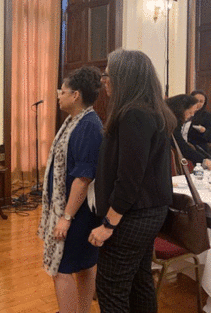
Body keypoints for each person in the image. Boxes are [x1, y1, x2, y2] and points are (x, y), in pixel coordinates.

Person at [89, 49, 177, 313]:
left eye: (108, 74)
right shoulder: (149, 110)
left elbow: (129, 180)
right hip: (145, 214)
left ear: (125, 77)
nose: (104, 80)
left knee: (110, 288)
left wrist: (108, 224)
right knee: (140, 282)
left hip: (132, 217)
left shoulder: (134, 115)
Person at [37, 66, 103, 313]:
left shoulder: (87, 126)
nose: (58, 95)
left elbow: (83, 178)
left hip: (77, 212)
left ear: (76, 95)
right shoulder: (77, 120)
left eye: (62, 91)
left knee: (62, 269)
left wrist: (65, 218)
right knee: (85, 265)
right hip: (77, 210)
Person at [166, 94, 211, 168]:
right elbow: (180, 143)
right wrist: (202, 160)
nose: (192, 115)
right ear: (181, 109)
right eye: (190, 112)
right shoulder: (173, 120)